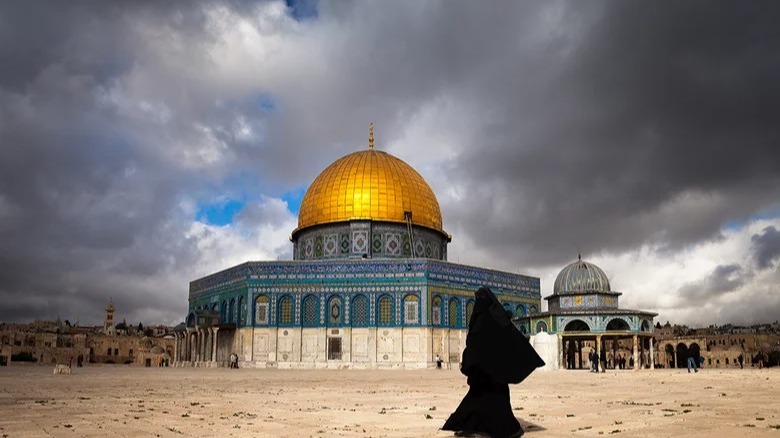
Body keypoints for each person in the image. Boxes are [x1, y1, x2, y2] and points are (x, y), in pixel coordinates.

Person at [442, 287, 544, 438]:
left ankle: (505, 430)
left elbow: (477, 345)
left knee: (487, 403)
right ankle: (473, 427)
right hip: (491, 374)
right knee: (481, 402)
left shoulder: (483, 321)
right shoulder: (497, 320)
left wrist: (470, 363)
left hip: (487, 374)